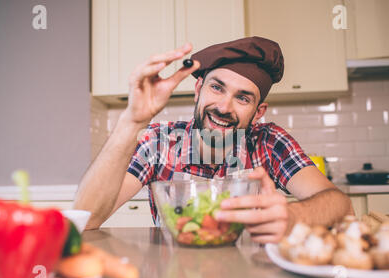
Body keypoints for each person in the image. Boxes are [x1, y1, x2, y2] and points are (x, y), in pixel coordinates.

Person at [75, 37, 353, 244]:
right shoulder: (159, 142)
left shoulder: (269, 143)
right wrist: (132, 122)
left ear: (259, 112)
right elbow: (86, 218)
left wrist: (294, 217)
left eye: (243, 97)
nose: (223, 107)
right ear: (198, 89)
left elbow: (341, 206)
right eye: (217, 87)